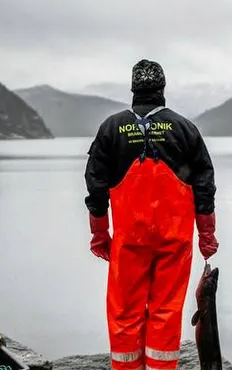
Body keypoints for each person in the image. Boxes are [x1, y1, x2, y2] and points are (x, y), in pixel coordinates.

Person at [83, 59, 219, 370]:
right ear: (162, 89)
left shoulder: (111, 129)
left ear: (134, 90)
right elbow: (204, 183)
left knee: (124, 312)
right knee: (167, 310)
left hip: (130, 241)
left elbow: (96, 185)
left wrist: (99, 232)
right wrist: (207, 234)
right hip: (175, 241)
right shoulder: (185, 128)